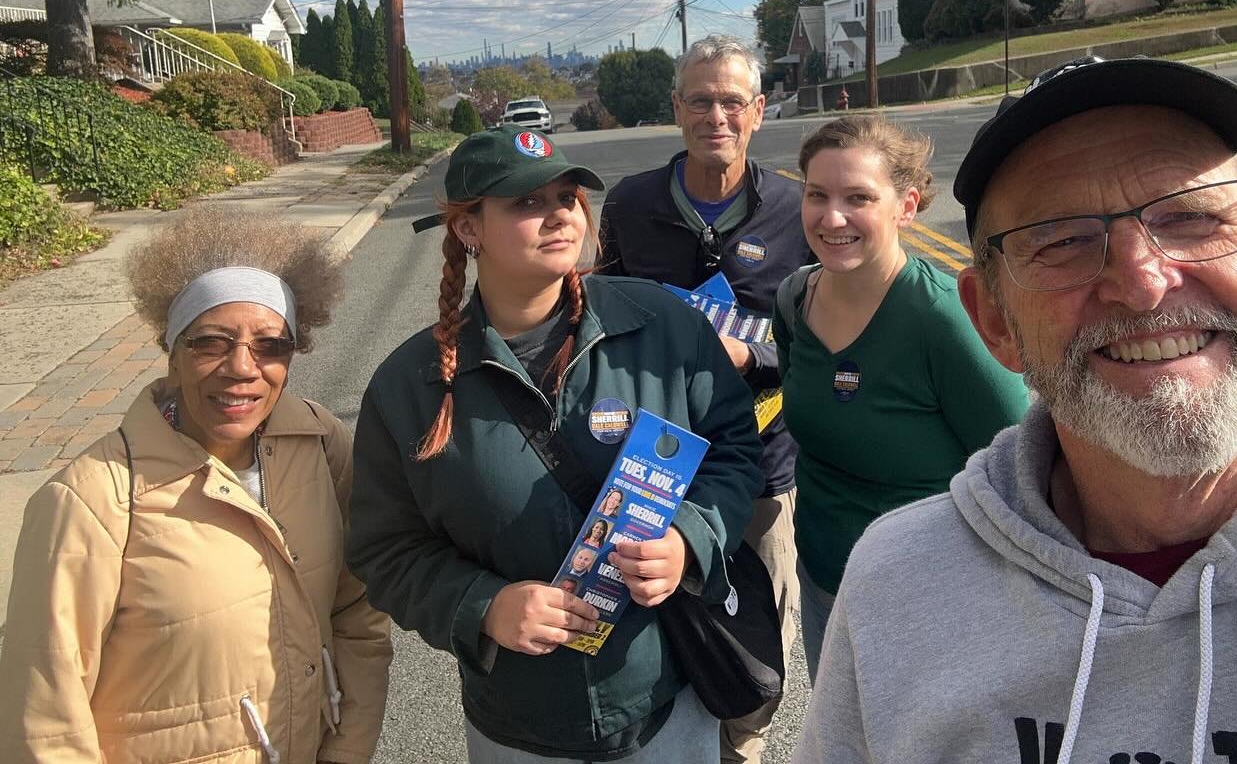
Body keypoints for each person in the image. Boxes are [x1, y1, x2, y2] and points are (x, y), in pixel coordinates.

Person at [795, 57, 1237, 763]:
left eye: (1192, 218)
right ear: (996, 322)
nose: (1141, 281)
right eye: (1063, 240)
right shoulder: (895, 585)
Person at [346, 126, 763, 764]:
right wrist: (483, 606)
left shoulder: (659, 324)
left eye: (566, 197)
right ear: (468, 229)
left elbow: (732, 446)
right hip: (518, 723)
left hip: (665, 702)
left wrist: (689, 539)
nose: (559, 216)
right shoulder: (409, 386)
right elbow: (385, 549)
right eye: (525, 203)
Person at [0, 206, 391, 764]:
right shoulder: (91, 499)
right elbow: (44, 721)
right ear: (172, 352)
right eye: (210, 342)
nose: (241, 367)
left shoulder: (319, 442)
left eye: (270, 345)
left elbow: (358, 613)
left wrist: (348, 750)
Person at [597, 35, 813, 764]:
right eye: (700, 100)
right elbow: (597, 318)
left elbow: (831, 334)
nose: (715, 115)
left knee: (756, 642)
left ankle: (741, 753)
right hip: (650, 464)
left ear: (757, 111)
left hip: (761, 469)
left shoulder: (795, 209)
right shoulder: (630, 206)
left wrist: (753, 355)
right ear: (676, 110)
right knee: (658, 624)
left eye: (731, 101)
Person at [773, 115, 1029, 681]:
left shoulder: (944, 319)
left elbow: (1025, 466)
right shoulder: (795, 298)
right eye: (817, 195)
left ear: (906, 206)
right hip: (825, 584)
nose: (832, 216)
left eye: (858, 197)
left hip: (931, 596)